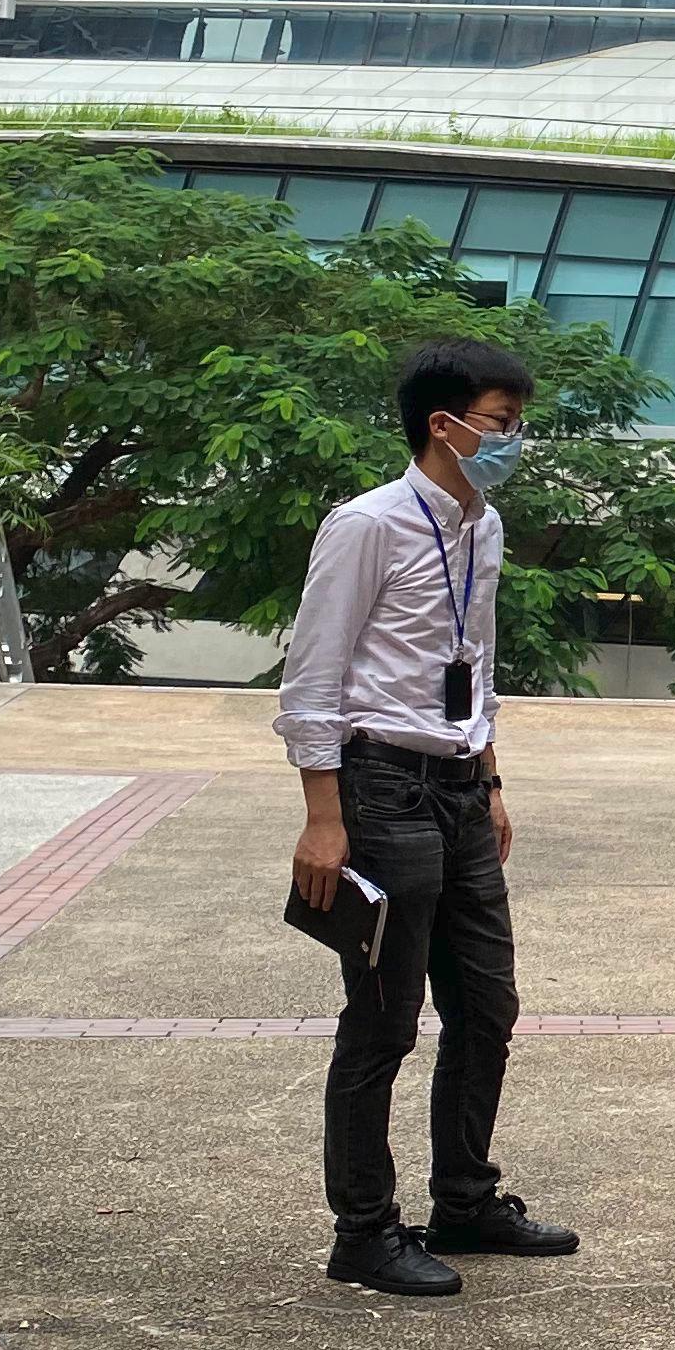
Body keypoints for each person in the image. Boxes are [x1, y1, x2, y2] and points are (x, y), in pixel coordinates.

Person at [280, 336, 580, 1298]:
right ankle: (364, 1231)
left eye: (518, 422)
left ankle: (465, 1200)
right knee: (383, 1020)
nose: (514, 439)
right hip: (381, 788)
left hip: (457, 787)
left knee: (487, 1006)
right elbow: (313, 678)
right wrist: (323, 816)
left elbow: (474, 660)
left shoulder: (482, 527)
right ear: (443, 425)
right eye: (502, 423)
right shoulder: (367, 524)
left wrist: (489, 777)